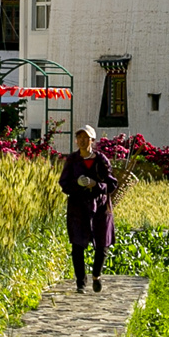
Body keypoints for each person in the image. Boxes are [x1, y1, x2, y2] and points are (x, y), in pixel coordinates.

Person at [59, 125, 118, 293]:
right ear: (76, 140)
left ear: (92, 140)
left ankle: (96, 276)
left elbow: (112, 184)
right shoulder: (72, 160)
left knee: (102, 243)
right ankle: (80, 282)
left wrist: (96, 185)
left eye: (86, 138)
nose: (83, 141)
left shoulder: (101, 160)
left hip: (100, 206)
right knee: (77, 244)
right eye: (80, 137)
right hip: (78, 206)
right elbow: (64, 183)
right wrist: (77, 184)